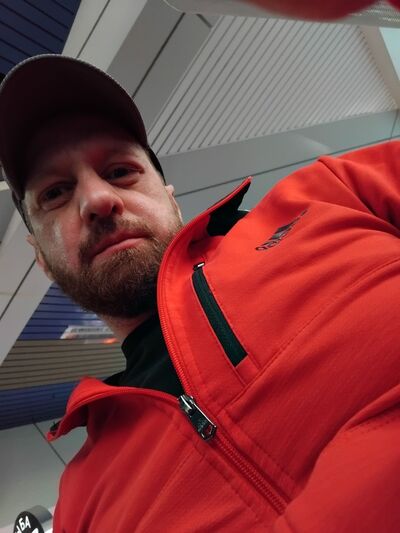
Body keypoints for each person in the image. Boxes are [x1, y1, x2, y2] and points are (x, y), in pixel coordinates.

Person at [0, 52, 399, 532]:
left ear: (171, 200)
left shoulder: (332, 197)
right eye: (55, 194)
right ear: (41, 258)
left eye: (120, 171)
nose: (97, 199)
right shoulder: (82, 508)